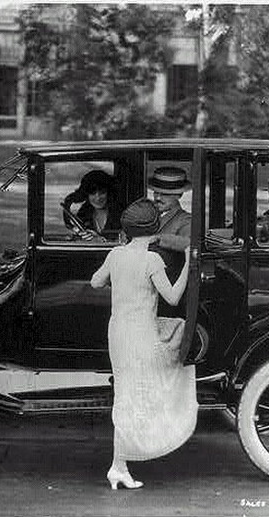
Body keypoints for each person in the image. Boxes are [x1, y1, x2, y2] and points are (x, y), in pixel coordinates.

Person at [91, 198, 198, 490]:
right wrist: (189, 263)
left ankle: (119, 466)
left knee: (124, 395)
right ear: (153, 231)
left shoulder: (115, 254)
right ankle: (119, 464)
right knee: (179, 333)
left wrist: (120, 279)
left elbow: (95, 283)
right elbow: (173, 297)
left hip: (118, 333)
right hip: (141, 334)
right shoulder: (153, 259)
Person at [62, 170, 121, 241]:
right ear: (86, 194)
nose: (98, 198)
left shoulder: (121, 214)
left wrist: (100, 240)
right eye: (93, 193)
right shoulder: (83, 214)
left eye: (102, 192)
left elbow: (125, 242)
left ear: (109, 193)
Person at [149, 166, 192, 252]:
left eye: (165, 194)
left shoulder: (186, 220)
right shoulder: (145, 215)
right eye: (156, 192)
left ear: (179, 195)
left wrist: (156, 239)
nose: (158, 198)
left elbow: (187, 243)